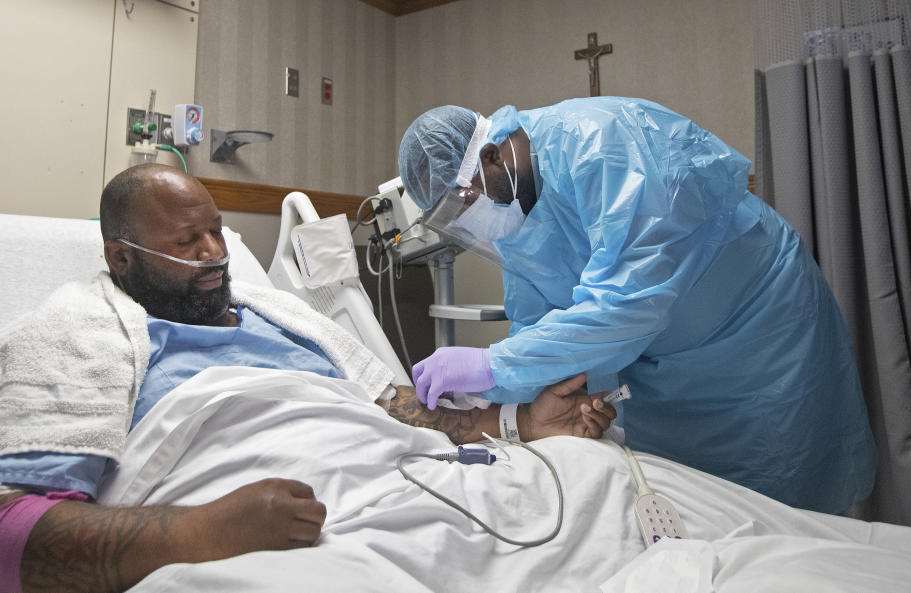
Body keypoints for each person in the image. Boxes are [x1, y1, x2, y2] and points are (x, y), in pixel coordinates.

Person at [0, 163, 616, 593]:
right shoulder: (77, 333)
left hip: (410, 482)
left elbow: (394, 407)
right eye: (187, 242)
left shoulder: (284, 316)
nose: (215, 252)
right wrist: (200, 531)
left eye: (217, 229)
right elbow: (11, 533)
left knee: (602, 479)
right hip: (279, 522)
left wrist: (521, 423)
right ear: (121, 257)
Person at [397, 97, 877, 514]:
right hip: (662, 369)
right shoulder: (514, 216)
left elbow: (629, 301)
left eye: (463, 202)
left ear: (489, 155)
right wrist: (509, 404)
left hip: (757, 337)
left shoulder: (602, 143)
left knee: (782, 496)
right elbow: (538, 325)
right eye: (453, 217)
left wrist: (490, 364)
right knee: (695, 508)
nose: (471, 222)